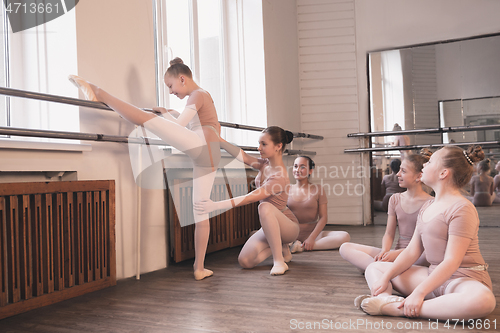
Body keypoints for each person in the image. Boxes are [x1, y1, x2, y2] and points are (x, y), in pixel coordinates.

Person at [69, 58, 224, 281]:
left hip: (203, 147)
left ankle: (99, 92)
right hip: (209, 155)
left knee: (146, 119)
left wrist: (163, 117)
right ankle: (199, 268)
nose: (171, 91)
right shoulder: (202, 96)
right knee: (201, 211)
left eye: (171, 86)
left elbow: (180, 126)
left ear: (182, 78)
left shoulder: (197, 95)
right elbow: (189, 124)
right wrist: (167, 113)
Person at [356, 145, 495, 320]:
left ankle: (399, 308)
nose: (424, 165)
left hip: (462, 279)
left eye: (429, 162)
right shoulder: (428, 206)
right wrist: (386, 278)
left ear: (443, 173)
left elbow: (452, 261)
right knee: (375, 267)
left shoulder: (462, 208)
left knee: (484, 300)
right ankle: (388, 301)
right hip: (431, 275)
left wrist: (419, 292)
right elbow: (412, 251)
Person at [194, 126, 299, 276]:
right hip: (271, 225)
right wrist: (219, 140)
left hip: (289, 227)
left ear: (278, 146)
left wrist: (215, 206)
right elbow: (242, 156)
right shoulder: (265, 164)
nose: (259, 148)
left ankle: (279, 261)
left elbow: (251, 197)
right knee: (246, 261)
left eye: (264, 144)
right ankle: (282, 248)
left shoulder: (280, 176)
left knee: (265, 207)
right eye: (259, 143)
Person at [340, 150, 432, 272]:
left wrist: (396, 254)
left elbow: (427, 245)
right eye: (399, 170)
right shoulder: (395, 199)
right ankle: (383, 268)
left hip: (418, 255)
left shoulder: (431, 203)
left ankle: (378, 268)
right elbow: (389, 234)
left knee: (426, 256)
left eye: (403, 171)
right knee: (345, 247)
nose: (398, 174)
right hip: (395, 254)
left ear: (419, 176)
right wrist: (384, 251)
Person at [287, 156, 350, 253]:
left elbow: (323, 217)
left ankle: (299, 247)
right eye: (295, 166)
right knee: (257, 233)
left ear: (310, 171)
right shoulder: (286, 189)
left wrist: (312, 238)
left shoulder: (318, 189)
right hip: (291, 233)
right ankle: (292, 244)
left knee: (345, 236)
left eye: (302, 167)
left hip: (312, 233)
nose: (297, 170)